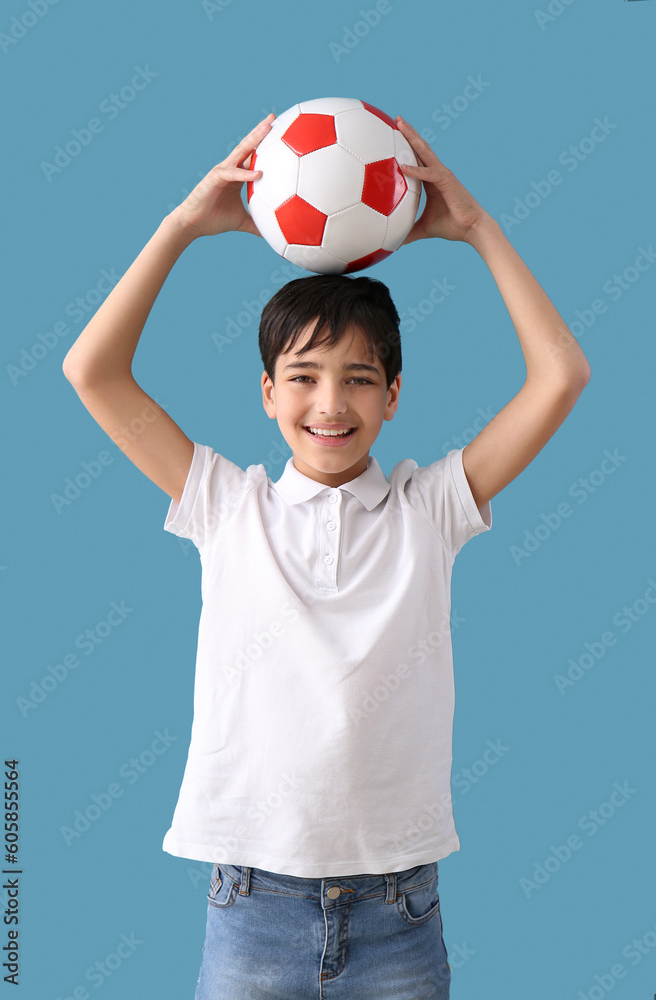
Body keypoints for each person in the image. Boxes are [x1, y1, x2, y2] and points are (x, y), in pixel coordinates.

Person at [62, 111, 590, 999]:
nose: (329, 402)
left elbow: (559, 375)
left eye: (357, 379)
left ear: (391, 397)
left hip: (400, 914)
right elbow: (91, 371)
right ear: (267, 393)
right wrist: (183, 227)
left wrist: (476, 231)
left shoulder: (432, 508)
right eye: (303, 377)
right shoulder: (227, 506)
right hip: (252, 908)